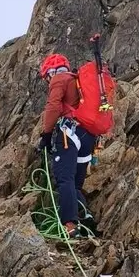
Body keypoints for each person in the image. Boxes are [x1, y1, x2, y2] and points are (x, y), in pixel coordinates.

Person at [36, 53, 98, 238]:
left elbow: (53, 106)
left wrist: (46, 135)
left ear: (52, 71)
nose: (48, 80)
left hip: (68, 134)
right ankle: (84, 217)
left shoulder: (59, 79)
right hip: (89, 136)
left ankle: (69, 226)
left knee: (65, 179)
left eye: (47, 75)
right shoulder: (78, 80)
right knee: (76, 184)